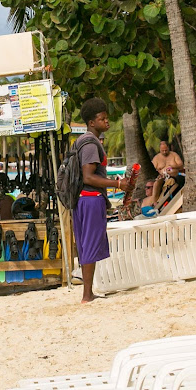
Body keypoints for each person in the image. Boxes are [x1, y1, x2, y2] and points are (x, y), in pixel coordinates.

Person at [73, 98, 133, 303]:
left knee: (86, 245)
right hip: (90, 199)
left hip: (83, 199)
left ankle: (88, 293)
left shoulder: (83, 141)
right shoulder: (90, 143)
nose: (107, 122)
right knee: (89, 244)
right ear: (92, 122)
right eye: (102, 119)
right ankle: (87, 295)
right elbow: (88, 177)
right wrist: (117, 185)